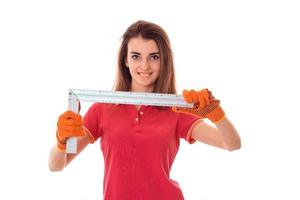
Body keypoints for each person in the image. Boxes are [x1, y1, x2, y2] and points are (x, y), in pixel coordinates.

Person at [48, 20, 241, 200]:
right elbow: (56, 166)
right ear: (125, 60)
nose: (145, 66)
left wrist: (216, 115)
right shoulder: (103, 109)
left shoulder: (176, 110)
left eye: (154, 57)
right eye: (136, 56)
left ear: (163, 61)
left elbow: (231, 144)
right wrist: (61, 143)